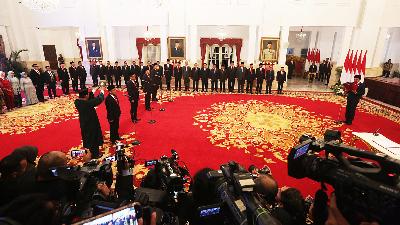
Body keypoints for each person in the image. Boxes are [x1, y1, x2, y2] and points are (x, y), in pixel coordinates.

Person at [74, 88, 105, 158]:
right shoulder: (87, 104)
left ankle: (89, 151)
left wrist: (92, 91)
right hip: (91, 123)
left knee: (88, 138)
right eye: (88, 94)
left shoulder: (77, 102)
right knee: (93, 138)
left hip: (84, 123)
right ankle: (95, 154)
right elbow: (98, 100)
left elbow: (88, 98)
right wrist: (102, 92)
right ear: (85, 96)